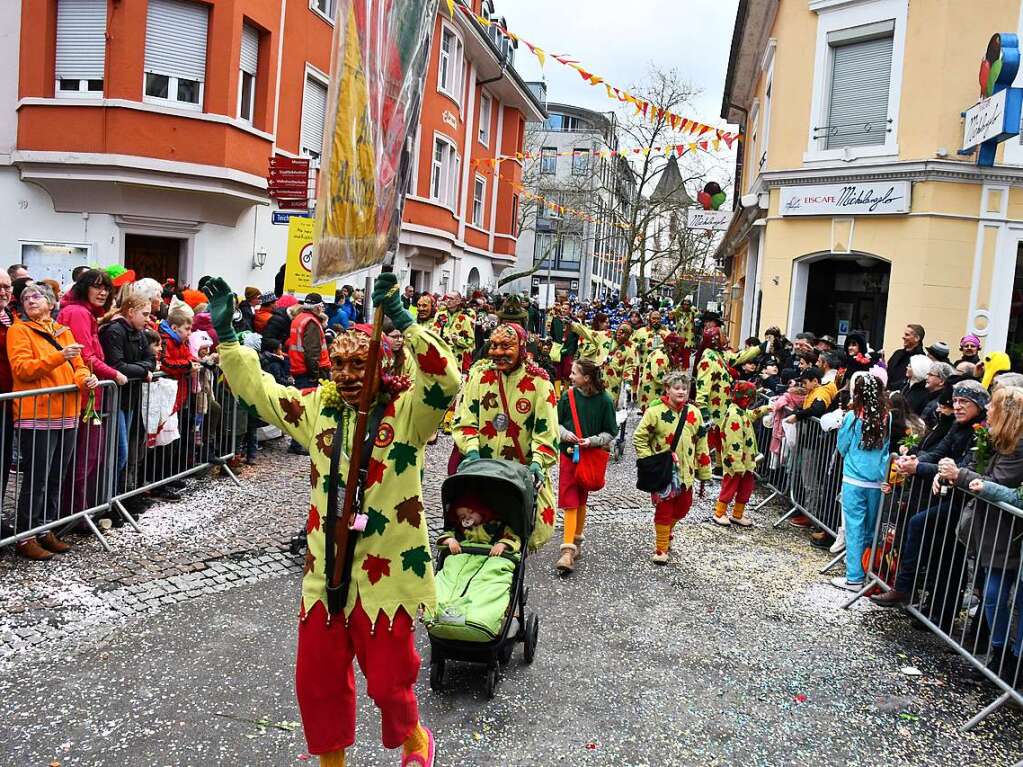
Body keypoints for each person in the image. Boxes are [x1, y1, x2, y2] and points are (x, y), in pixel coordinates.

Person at [208, 272, 459, 767]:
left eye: (357, 365)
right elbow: (262, 393)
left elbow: (445, 379)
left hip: (388, 573)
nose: (344, 374)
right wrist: (231, 341)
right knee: (317, 683)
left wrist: (406, 320)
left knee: (389, 684)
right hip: (325, 573)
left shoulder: (410, 414)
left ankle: (415, 742)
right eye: (337, 364)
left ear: (382, 366)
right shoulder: (318, 409)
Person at [871, 380, 989, 619]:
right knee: (939, 554)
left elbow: (964, 466)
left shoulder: (981, 431)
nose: (957, 406)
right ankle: (930, 609)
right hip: (948, 496)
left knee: (937, 544)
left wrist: (923, 468)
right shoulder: (957, 426)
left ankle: (910, 591)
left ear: (979, 405)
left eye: (964, 402)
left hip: (966, 502)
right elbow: (938, 453)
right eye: (955, 401)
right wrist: (913, 460)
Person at [8, 283, 98, 560]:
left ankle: (46, 528)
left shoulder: (62, 331)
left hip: (67, 414)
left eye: (36, 296)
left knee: (56, 476)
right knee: (36, 479)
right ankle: (25, 537)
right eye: (25, 298)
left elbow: (79, 365)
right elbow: (22, 369)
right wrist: (60, 356)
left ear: (50, 303)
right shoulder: (19, 330)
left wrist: (86, 379)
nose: (30, 300)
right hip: (36, 415)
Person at [452, 322, 558, 551]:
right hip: (482, 474)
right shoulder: (479, 376)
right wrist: (470, 450)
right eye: (494, 345)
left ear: (520, 347)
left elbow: (547, 432)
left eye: (506, 346)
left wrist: (538, 462)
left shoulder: (540, 383)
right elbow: (465, 419)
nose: (498, 352)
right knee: (477, 536)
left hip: (519, 478)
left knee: (517, 538)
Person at [940, 386, 1023, 678]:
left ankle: (1009, 659)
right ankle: (1000, 656)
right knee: (992, 593)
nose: (987, 409)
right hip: (992, 529)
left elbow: (999, 483)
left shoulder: (1018, 445)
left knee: (997, 594)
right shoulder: (997, 438)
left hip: (1007, 532)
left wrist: (959, 475)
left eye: (993, 405)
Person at [57, 269, 126, 515]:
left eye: (106, 288)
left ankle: (79, 510)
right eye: (97, 286)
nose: (103, 292)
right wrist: (114, 374)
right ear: (84, 287)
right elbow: (85, 355)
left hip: (89, 396)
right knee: (84, 458)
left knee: (88, 457)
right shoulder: (77, 312)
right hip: (84, 396)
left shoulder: (84, 313)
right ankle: (76, 513)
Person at [633, 370, 713, 564]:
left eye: (685, 388)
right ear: (667, 389)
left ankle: (667, 531)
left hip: (686, 473)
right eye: (677, 388)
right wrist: (650, 460)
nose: (681, 392)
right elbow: (639, 438)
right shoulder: (655, 412)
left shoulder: (694, 413)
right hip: (664, 472)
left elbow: (701, 442)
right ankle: (661, 548)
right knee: (664, 509)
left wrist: (704, 470)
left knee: (683, 508)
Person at [555, 359, 617, 574]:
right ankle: (567, 551)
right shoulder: (567, 396)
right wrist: (564, 434)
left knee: (581, 498)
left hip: (589, 458)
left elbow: (611, 432)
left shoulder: (605, 401)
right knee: (569, 499)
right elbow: (556, 422)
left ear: (587, 378)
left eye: (574, 373)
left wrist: (592, 441)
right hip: (568, 455)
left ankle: (576, 542)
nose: (570, 377)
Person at [831, 373, 891, 591]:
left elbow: (842, 446)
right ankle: (869, 570)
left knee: (855, 528)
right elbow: (887, 446)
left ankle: (855, 576)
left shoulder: (852, 417)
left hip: (854, 478)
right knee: (871, 529)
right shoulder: (887, 417)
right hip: (877, 479)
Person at [98, 294, 157, 489]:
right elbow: (117, 365)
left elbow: (151, 360)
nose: (148, 319)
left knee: (125, 452)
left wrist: (141, 369)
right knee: (119, 452)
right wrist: (143, 371)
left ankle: (115, 496)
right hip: (114, 399)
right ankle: (107, 497)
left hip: (130, 397)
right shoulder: (114, 331)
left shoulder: (139, 332)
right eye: (145, 314)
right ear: (131, 312)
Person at [713, 381, 771, 528]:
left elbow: (750, 415)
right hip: (736, 462)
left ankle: (737, 514)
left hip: (746, 462)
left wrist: (765, 409)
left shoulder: (740, 411)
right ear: (746, 399)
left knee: (746, 487)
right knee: (729, 487)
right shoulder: (734, 415)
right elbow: (734, 443)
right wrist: (737, 463)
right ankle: (719, 512)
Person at [436, 491, 520, 557]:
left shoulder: (498, 527)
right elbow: (444, 536)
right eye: (462, 517)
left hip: (492, 558)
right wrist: (450, 540)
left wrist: (503, 544)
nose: (468, 517)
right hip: (463, 557)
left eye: (471, 512)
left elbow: (512, 538)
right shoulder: (460, 530)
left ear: (481, 510)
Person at [604, 323, 639, 408]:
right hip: (597, 380)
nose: (622, 335)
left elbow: (630, 367)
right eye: (621, 331)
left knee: (609, 408)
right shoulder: (606, 337)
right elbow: (589, 334)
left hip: (613, 384)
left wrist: (628, 382)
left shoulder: (630, 348)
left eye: (626, 334)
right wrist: (573, 325)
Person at [886, 324, 925, 391]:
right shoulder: (897, 353)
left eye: (907, 335)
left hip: (904, 396)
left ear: (917, 338)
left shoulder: (921, 359)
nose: (903, 337)